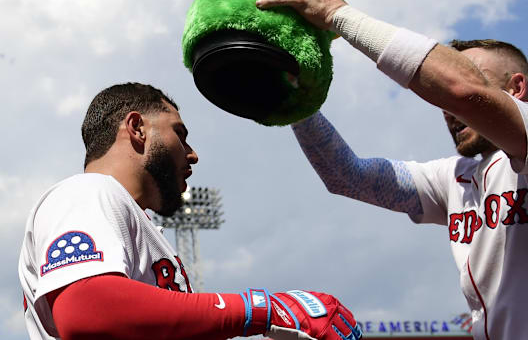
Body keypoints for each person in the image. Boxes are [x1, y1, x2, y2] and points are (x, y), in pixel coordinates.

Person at [249, 0, 528, 339]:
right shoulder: (455, 178)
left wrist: (336, 13)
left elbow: (462, 92)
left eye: (474, 78)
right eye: (442, 102)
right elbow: (347, 176)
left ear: (516, 88)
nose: (448, 110)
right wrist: (296, 101)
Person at [18, 82, 363, 340]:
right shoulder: (88, 191)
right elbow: (86, 309)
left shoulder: (134, 220)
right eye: (179, 134)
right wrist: (261, 308)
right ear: (137, 128)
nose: (192, 153)